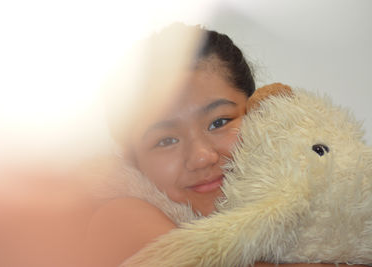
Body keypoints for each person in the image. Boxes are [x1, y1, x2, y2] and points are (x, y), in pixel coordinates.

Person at [83, 23, 364, 267]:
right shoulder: (121, 218)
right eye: (166, 140)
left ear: (260, 111)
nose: (202, 156)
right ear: (132, 160)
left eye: (219, 122)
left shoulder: (321, 192)